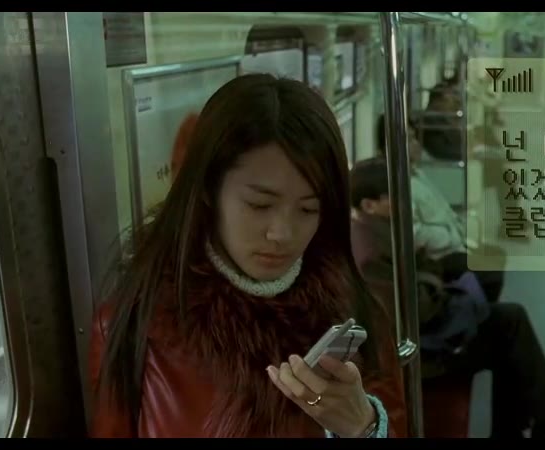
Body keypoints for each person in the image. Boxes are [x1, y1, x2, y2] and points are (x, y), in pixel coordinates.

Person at [89, 74, 407, 438]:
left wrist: (364, 427)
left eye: (308, 209)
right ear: (208, 190)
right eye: (259, 205)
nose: (282, 234)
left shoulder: (355, 312)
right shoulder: (136, 326)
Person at [349, 157, 545, 438]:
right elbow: (415, 312)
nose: (405, 202)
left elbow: (421, 277)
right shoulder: (372, 254)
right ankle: (544, 427)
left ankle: (533, 426)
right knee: (509, 325)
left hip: (422, 329)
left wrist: (432, 280)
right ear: (370, 205)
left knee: (506, 324)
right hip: (419, 354)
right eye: (394, 196)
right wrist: (438, 286)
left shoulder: (379, 231)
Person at [376, 114, 505, 303]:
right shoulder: (396, 185)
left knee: (496, 255)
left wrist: (459, 234)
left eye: (414, 138)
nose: (416, 144)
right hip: (436, 257)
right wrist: (451, 237)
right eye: (409, 139)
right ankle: (482, 311)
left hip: (451, 244)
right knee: (491, 270)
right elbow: (415, 234)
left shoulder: (416, 173)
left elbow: (443, 210)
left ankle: (482, 307)